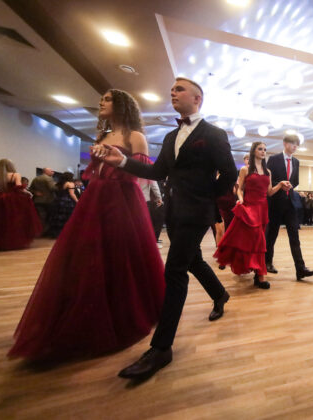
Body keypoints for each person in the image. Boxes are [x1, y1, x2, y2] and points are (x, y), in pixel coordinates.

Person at [8, 89, 165, 361]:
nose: (102, 102)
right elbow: (93, 173)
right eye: (102, 98)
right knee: (86, 255)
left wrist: (132, 197)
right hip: (96, 198)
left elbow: (142, 175)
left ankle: (122, 311)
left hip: (122, 198)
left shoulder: (135, 136)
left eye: (108, 99)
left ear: (122, 104)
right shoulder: (103, 136)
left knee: (120, 255)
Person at [96, 78, 237, 380]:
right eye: (172, 89)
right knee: (192, 260)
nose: (173, 92)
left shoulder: (213, 134)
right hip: (173, 211)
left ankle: (161, 348)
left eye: (180, 89)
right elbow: (157, 171)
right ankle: (220, 294)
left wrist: (206, 198)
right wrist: (122, 161)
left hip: (196, 213)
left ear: (197, 99)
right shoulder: (172, 135)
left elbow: (229, 174)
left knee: (174, 271)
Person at [214, 142, 290, 289]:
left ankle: (257, 274)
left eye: (265, 149)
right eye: (260, 149)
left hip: (262, 209)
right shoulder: (245, 170)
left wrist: (280, 185)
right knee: (257, 241)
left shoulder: (268, 172)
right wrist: (241, 199)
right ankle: (260, 276)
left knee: (258, 242)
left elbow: (269, 192)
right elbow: (240, 189)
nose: (263, 151)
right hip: (249, 208)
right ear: (254, 151)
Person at [264, 134, 313, 281]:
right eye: (293, 143)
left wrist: (290, 185)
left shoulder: (296, 161)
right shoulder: (273, 159)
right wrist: (281, 184)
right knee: (271, 235)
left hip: (290, 203)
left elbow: (295, 180)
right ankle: (267, 262)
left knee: (294, 236)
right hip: (275, 203)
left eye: (297, 144)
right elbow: (268, 180)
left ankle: (300, 269)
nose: (295, 147)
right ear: (285, 143)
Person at [0, 159, 41, 250]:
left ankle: (0, 242)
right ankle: (14, 242)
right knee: (15, 220)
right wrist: (28, 193)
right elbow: (18, 187)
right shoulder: (15, 175)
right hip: (12, 199)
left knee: (0, 221)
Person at [47, 171, 78, 238]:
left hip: (58, 201)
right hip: (67, 201)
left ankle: (57, 233)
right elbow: (72, 194)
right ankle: (67, 233)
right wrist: (77, 201)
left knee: (58, 217)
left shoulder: (60, 184)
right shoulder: (70, 183)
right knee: (67, 217)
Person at [29, 167, 57, 235]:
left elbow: (31, 189)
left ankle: (39, 232)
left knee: (40, 217)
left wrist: (35, 192)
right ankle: (46, 232)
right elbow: (53, 188)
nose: (52, 172)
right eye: (51, 171)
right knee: (49, 217)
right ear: (46, 171)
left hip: (38, 200)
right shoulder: (49, 178)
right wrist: (57, 185)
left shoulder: (36, 178)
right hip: (48, 200)